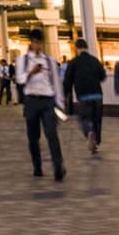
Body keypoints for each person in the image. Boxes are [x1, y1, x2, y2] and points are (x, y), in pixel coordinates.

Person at [15, 28, 65, 180]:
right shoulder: (22, 61)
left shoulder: (49, 60)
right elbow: (19, 79)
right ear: (31, 43)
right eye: (35, 43)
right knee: (33, 137)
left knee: (52, 134)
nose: (38, 46)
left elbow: (56, 82)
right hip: (31, 100)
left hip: (47, 100)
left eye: (40, 43)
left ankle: (58, 167)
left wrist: (60, 103)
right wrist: (31, 72)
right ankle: (37, 166)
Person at [63, 37, 107, 155]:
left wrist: (65, 95)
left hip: (83, 96)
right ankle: (96, 143)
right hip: (97, 95)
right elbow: (103, 76)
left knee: (84, 118)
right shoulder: (95, 60)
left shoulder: (73, 62)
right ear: (87, 47)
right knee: (97, 120)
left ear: (76, 48)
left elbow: (67, 81)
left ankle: (89, 132)